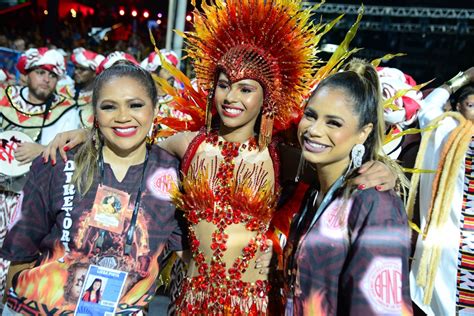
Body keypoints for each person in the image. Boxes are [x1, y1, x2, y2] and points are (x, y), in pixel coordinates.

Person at [42, 1, 397, 314]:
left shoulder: (284, 157)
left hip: (255, 303)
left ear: (267, 98)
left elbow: (337, 174)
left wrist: (385, 168)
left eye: (246, 89)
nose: (232, 97)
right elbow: (128, 140)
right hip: (190, 300)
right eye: (224, 84)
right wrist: (88, 134)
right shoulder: (186, 145)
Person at [0, 62, 186, 315]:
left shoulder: (172, 175)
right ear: (95, 113)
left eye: (135, 105)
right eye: (109, 106)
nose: (122, 116)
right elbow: (21, 251)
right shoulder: (59, 162)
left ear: (154, 108)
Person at [283, 59, 412, 315]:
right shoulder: (315, 192)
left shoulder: (375, 204)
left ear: (363, 132)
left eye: (334, 123)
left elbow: (379, 308)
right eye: (311, 115)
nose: (314, 130)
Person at [0, 47, 79, 297]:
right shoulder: (4, 97)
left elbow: (72, 153)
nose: (46, 78)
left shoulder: (67, 111)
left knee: (12, 265)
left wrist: (42, 149)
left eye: (53, 75)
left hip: (28, 201)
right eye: (40, 72)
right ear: (26, 73)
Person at [408, 67, 474, 315]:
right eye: (471, 104)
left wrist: (465, 77)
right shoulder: (449, 135)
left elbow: (428, 108)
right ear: (457, 107)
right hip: (442, 274)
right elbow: (428, 109)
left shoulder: (446, 132)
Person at [68, 47, 105, 127]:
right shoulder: (64, 90)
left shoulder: (102, 97)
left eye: (82, 69)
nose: (76, 72)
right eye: (76, 67)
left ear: (94, 73)